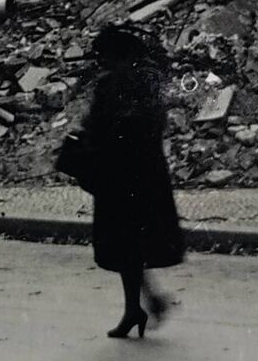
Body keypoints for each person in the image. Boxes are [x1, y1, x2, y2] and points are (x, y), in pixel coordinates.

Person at [80, 25, 184, 339]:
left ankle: (140, 306)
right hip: (129, 175)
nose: (101, 62)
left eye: (105, 56)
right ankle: (138, 307)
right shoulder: (132, 83)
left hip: (129, 176)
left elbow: (138, 125)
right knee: (128, 245)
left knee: (128, 244)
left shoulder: (132, 84)